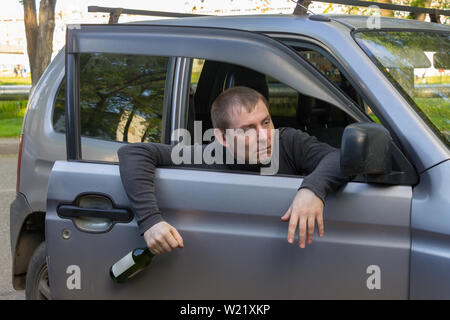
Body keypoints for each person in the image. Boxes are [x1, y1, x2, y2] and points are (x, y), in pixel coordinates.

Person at [117, 86, 351, 254]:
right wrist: (150, 221)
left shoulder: (288, 142)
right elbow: (134, 153)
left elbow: (339, 157)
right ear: (223, 137)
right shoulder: (207, 155)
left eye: (266, 122)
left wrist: (312, 189)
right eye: (248, 129)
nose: (264, 136)